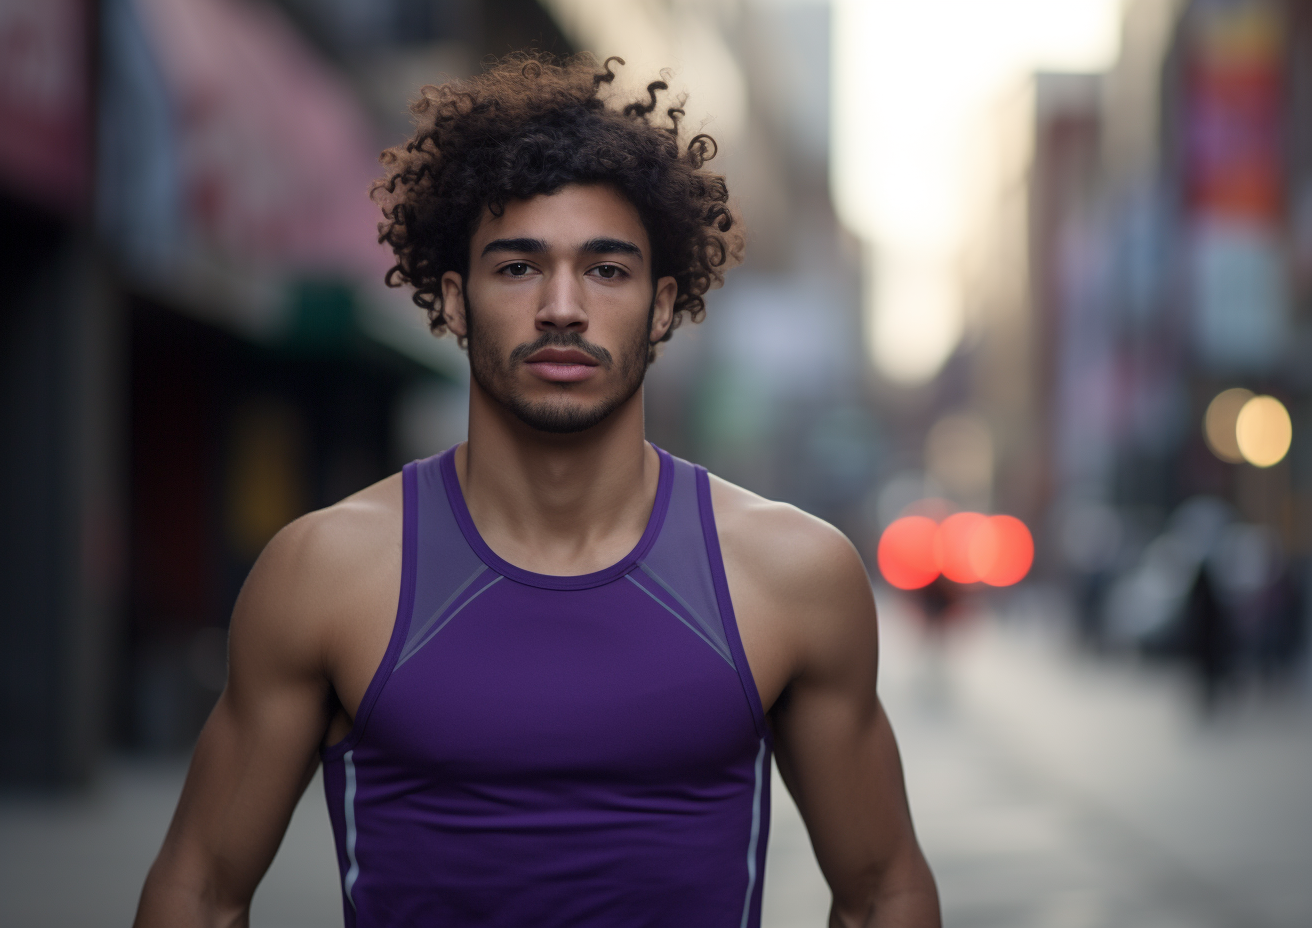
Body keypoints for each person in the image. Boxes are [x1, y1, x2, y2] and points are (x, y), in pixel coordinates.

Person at [134, 54, 939, 928]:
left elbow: (882, 890)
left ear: (663, 306)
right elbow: (202, 889)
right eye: (518, 268)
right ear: (455, 297)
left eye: (607, 270)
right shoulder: (326, 570)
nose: (563, 307)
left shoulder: (793, 573)